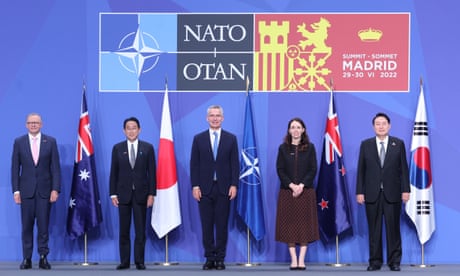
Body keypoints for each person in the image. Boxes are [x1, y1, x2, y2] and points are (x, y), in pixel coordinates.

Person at [356, 112, 410, 272]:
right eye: (377, 124)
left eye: (384, 123)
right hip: (372, 194)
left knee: (393, 230)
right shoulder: (365, 145)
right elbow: (361, 170)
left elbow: (403, 170)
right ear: (373, 127)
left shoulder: (398, 144)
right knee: (374, 230)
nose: (381, 126)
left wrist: (406, 190)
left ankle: (394, 262)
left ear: (389, 126)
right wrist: (360, 191)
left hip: (392, 194)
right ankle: (375, 261)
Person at [190, 105, 239, 270]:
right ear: (207, 118)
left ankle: (220, 258)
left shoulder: (231, 139)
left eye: (218, 115)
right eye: (212, 115)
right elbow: (194, 164)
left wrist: (234, 184)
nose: (215, 118)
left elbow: (234, 164)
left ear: (223, 118)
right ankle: (209, 257)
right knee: (207, 225)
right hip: (204, 188)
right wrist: (195, 185)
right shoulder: (198, 139)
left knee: (222, 225)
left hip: (224, 188)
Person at [11, 113, 61, 270]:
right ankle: (26, 258)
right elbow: (14, 169)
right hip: (25, 192)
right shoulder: (19, 142)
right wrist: (16, 191)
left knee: (43, 226)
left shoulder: (50, 142)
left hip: (45, 192)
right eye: (30, 122)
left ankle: (43, 257)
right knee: (26, 226)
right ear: (26, 125)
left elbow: (56, 169)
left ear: (41, 124)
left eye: (36, 122)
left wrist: (55, 189)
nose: (33, 125)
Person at [109, 117, 156, 270]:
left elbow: (152, 174)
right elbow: (113, 173)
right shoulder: (117, 148)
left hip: (142, 195)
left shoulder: (148, 148)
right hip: (123, 195)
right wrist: (113, 194)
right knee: (124, 230)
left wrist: (151, 194)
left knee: (140, 230)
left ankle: (139, 261)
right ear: (124, 131)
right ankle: (124, 261)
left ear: (139, 130)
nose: (131, 131)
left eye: (134, 128)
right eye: (128, 128)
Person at [275, 117, 319, 270]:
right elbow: (280, 170)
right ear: (289, 130)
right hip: (287, 193)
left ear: (303, 130)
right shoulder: (283, 148)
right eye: (292, 127)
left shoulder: (310, 148)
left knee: (304, 227)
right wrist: (292, 186)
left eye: (298, 127)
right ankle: (293, 259)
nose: (295, 130)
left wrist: (301, 185)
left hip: (306, 192)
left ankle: (302, 260)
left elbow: (313, 169)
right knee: (290, 226)